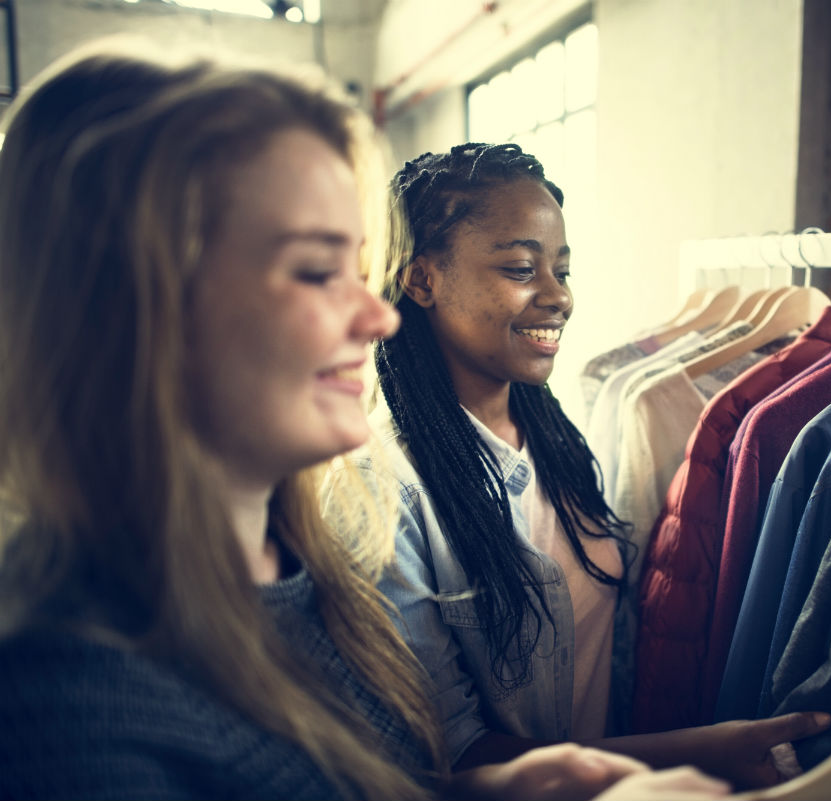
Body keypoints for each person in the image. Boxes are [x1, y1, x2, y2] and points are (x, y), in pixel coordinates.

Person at [0, 39, 733, 801]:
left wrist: (498, 791)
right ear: (138, 302)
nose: (377, 315)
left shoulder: (297, 563)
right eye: (319, 273)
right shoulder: (59, 700)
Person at [324, 142, 831, 790]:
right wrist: (694, 752)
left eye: (562, 270)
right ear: (422, 279)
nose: (557, 296)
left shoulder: (554, 438)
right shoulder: (384, 488)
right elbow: (441, 754)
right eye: (519, 268)